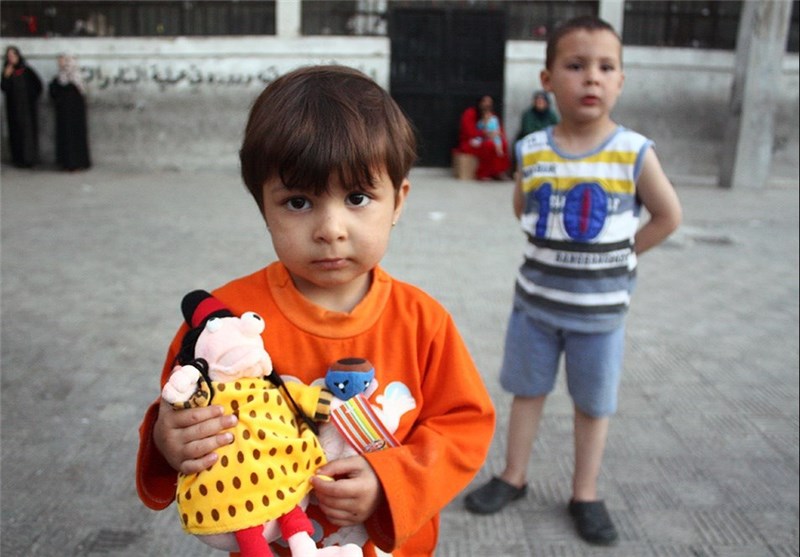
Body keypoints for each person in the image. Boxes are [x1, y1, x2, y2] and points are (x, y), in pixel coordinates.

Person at [136, 65, 496, 557]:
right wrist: (169, 441)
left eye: (357, 197)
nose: (330, 228)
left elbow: (463, 425)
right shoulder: (221, 322)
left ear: (398, 201)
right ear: (263, 207)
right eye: (298, 202)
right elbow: (177, 411)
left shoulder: (423, 321)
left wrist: (389, 480)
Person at [464, 15, 682, 547]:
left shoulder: (633, 151)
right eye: (576, 65)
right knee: (527, 393)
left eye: (606, 68)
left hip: (600, 315)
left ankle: (584, 492)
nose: (592, 78)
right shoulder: (533, 149)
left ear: (621, 81)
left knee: (592, 404)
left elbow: (667, 216)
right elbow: (522, 205)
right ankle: (513, 476)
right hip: (534, 307)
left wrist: (622, 255)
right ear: (547, 79)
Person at [1, 45, 43, 168]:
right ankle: (18, 159)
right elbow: (4, 88)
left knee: (28, 133)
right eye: (9, 56)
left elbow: (38, 86)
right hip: (13, 108)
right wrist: (6, 76)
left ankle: (29, 159)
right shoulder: (7, 71)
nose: (11, 58)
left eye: (13, 55)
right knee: (16, 133)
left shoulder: (27, 71)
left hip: (27, 109)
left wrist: (31, 98)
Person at [49, 53, 91, 171]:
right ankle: (66, 163)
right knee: (65, 138)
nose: (61, 63)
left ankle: (78, 163)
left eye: (63, 60)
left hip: (75, 114)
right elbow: (53, 92)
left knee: (76, 137)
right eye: (60, 61)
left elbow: (82, 94)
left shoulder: (77, 77)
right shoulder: (58, 77)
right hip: (63, 114)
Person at [457, 95, 511, 181]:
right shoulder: (470, 113)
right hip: (472, 141)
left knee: (503, 144)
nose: (487, 104)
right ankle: (483, 173)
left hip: (491, 139)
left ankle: (499, 172)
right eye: (485, 101)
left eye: (489, 102)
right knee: (489, 145)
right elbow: (470, 132)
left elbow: (499, 130)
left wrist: (498, 134)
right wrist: (486, 133)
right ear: (480, 103)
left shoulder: (493, 116)